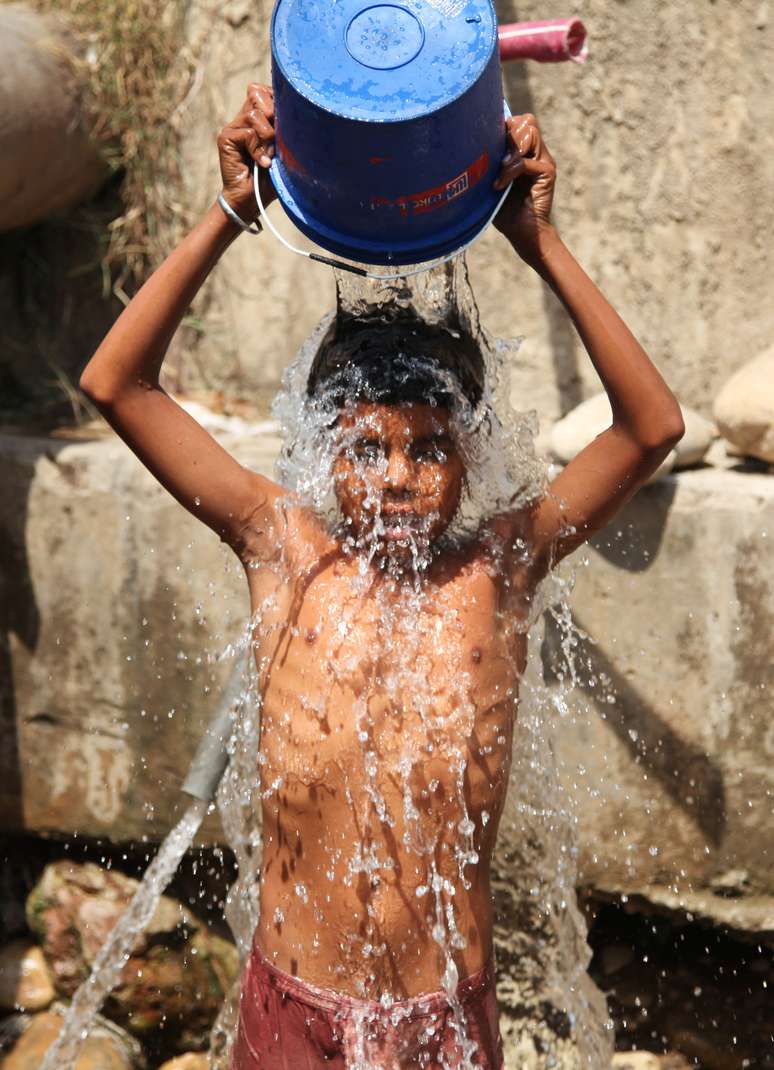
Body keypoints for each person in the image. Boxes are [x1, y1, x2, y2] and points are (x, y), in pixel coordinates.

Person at [80, 83, 684, 1070]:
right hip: (295, 1011)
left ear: (470, 455)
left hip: (441, 1018)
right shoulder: (282, 549)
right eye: (366, 447)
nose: (397, 476)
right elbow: (117, 383)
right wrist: (233, 213)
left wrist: (540, 241)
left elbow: (651, 427)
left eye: (429, 446)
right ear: (324, 451)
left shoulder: (504, 567)